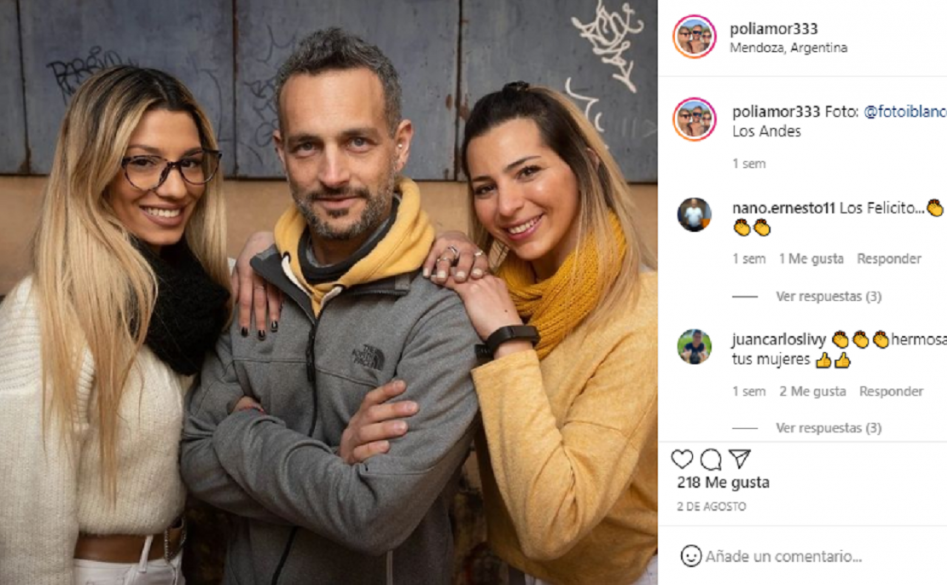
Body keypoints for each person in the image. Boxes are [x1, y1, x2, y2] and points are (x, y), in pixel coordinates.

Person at [178, 28, 480, 585]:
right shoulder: (256, 284)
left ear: (400, 144)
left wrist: (242, 432)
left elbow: (373, 515)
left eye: (357, 142)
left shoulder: (443, 308)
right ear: (281, 151)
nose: (333, 174)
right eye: (307, 146)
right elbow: (194, 460)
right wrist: (336, 465)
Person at [343, 82, 659, 585]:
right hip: (524, 571)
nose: (507, 206)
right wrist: (361, 436)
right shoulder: (495, 291)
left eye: (528, 172)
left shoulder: (646, 315)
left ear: (586, 167)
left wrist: (509, 340)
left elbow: (553, 523)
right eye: (485, 188)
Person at [0, 66, 231, 584]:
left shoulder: (188, 295)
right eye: (142, 162)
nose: (175, 189)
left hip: (170, 566)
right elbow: (24, 535)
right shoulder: (46, 311)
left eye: (190, 162)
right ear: (93, 169)